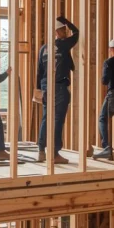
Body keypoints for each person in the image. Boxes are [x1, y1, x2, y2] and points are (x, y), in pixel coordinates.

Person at [35, 16, 79, 164]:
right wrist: (67, 21)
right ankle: (54, 153)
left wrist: (39, 90)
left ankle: (41, 150)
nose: (65, 31)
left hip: (46, 85)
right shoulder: (63, 45)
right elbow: (77, 33)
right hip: (59, 86)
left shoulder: (43, 49)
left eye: (65, 29)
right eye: (62, 29)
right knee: (57, 120)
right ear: (56, 32)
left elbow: (39, 71)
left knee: (46, 118)